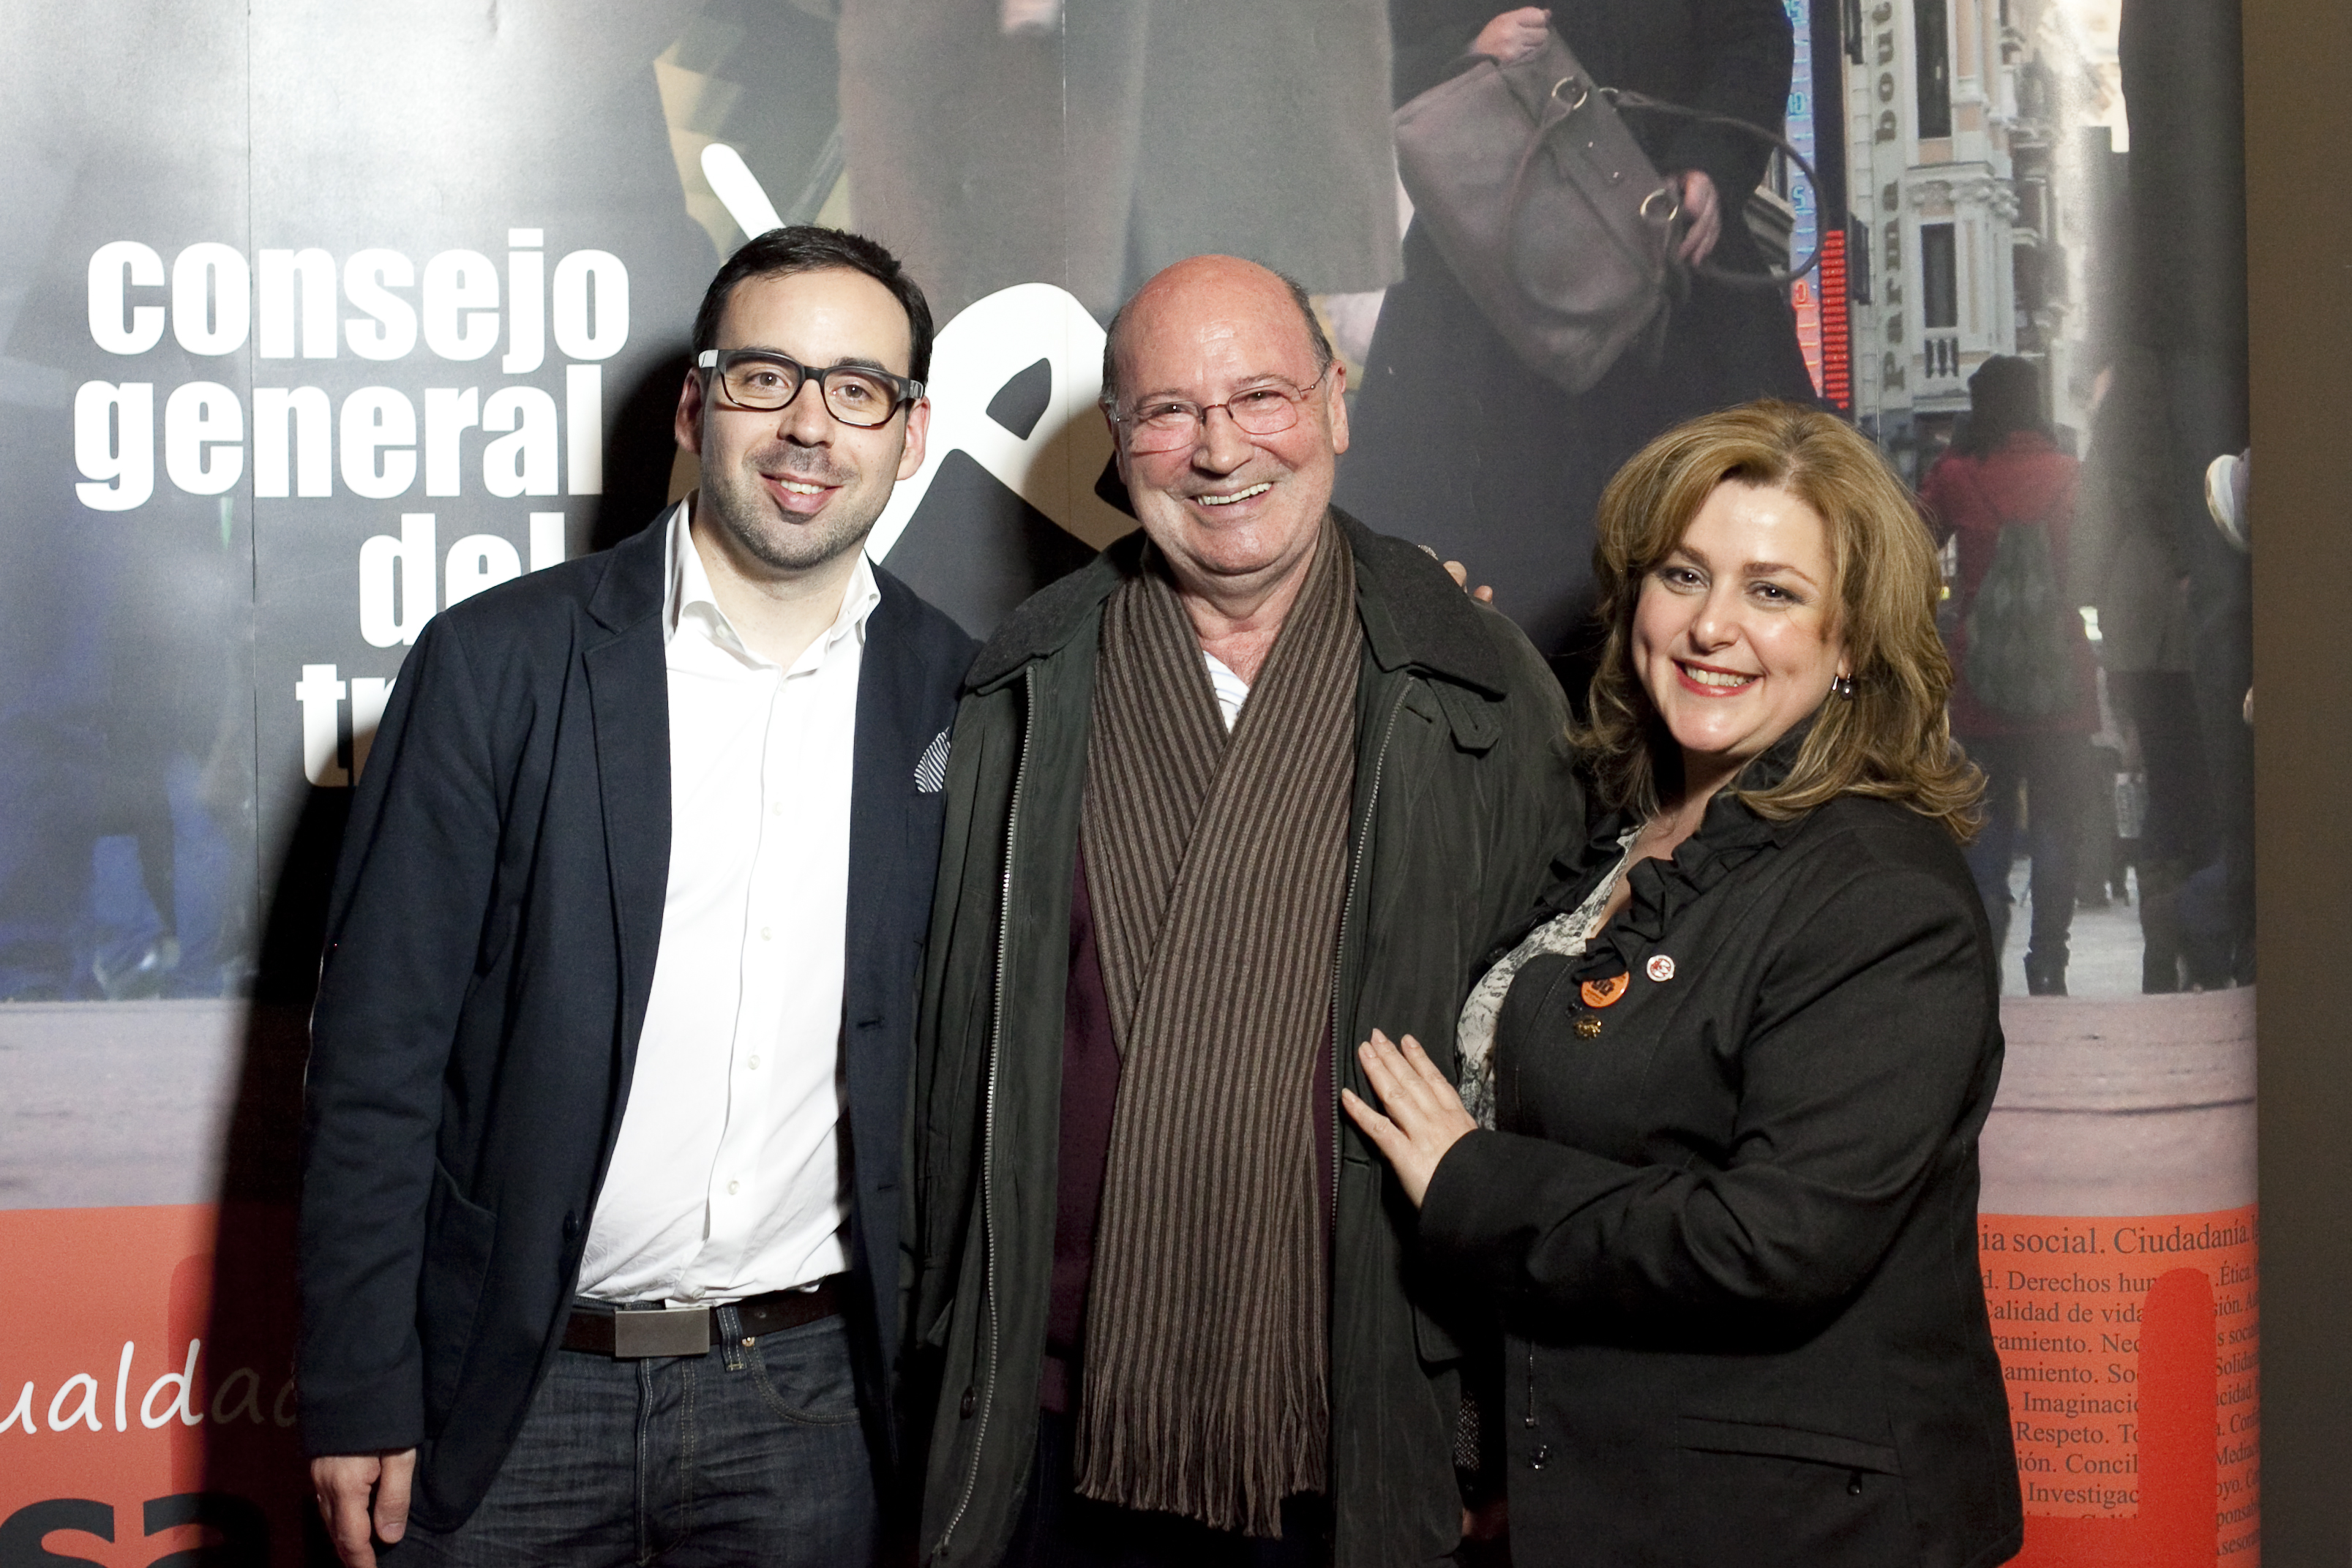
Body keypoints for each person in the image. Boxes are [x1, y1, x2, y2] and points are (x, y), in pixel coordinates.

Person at [297, 226, 978, 1567]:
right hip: (509, 1395)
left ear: (910, 436)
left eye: (857, 389)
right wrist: (358, 1380)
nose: (807, 425)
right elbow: (376, 1055)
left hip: (809, 1405)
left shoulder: (958, 690)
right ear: (691, 405)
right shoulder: (496, 662)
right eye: (764, 376)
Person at [903, 255, 1584, 1568]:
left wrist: (1498, 1414)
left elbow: (1550, 1068)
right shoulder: (1024, 680)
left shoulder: (1472, 676)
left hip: (1363, 1398)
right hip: (1051, 1409)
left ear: (1335, 403)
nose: (1219, 450)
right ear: (1118, 444)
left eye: (1261, 395)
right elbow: (938, 1048)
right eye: (1168, 411)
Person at [1342, 402, 2022, 1567]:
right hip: (1596, 1497)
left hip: (1797, 1531)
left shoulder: (1880, 892)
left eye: (1773, 590)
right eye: (1683, 573)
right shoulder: (1620, 830)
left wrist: (1469, 1179)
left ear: (1850, 640)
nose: (1711, 624)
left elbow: (1770, 1243)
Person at [1336, 0, 1819, 659]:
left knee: (1721, 528)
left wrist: (1713, 163)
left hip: (1666, 247)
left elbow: (1753, 33)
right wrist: (1468, 47)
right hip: (1488, 263)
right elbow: (1367, 48)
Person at [1919, 355, 2096, 994]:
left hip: (1981, 679)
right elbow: (2090, 565)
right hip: (2061, 678)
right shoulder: (2073, 475)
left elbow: (1911, 542)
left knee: (1986, 817)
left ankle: (1986, 944)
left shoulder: (1957, 475)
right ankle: (2049, 961)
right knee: (2055, 822)